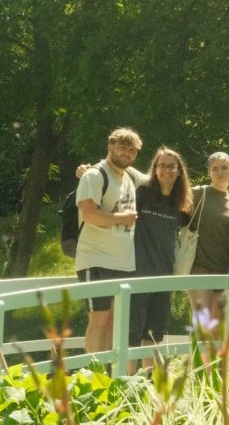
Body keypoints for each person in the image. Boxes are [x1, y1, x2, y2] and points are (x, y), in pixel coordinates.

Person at [75, 127, 142, 354]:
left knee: (115, 322)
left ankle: (110, 376)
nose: (127, 153)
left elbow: (162, 179)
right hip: (96, 260)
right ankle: (94, 377)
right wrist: (121, 218)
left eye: (132, 150)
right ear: (110, 146)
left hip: (123, 263)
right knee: (99, 319)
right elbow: (89, 214)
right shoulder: (94, 175)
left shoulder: (129, 177)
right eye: (122, 147)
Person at [129, 147, 193, 373]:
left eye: (171, 166)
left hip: (164, 276)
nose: (166, 170)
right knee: (132, 333)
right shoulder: (142, 195)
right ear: (155, 170)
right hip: (137, 273)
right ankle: (127, 383)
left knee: (154, 333)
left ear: (179, 172)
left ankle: (148, 382)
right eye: (162, 165)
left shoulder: (182, 206)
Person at [188, 152, 229, 328]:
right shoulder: (198, 193)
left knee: (219, 328)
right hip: (200, 267)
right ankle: (199, 357)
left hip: (224, 270)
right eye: (215, 168)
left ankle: (216, 358)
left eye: (224, 168)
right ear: (209, 172)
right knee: (203, 324)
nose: (220, 172)